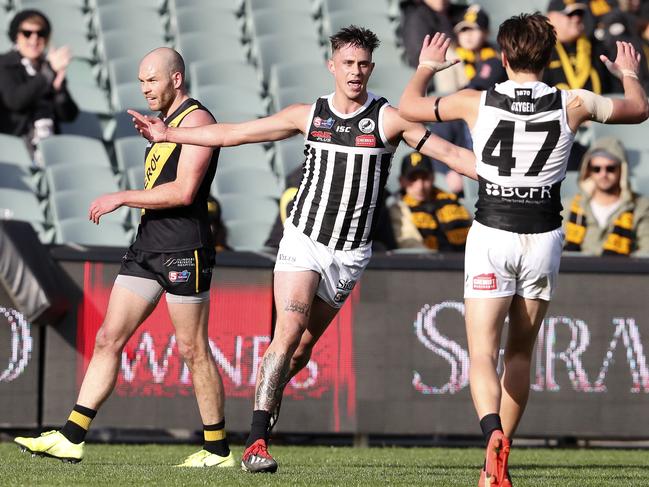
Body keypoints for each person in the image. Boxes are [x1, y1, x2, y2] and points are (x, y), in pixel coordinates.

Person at [129, 25, 477, 474]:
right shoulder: (308, 115)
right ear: (332, 66)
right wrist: (170, 136)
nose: (355, 72)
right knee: (288, 330)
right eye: (347, 63)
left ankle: (264, 393)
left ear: (371, 67)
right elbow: (235, 134)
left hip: (350, 253)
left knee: (300, 351)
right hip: (303, 241)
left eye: (363, 64)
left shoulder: (388, 119)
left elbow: (450, 156)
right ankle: (256, 442)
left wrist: (509, 177)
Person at [399, 15, 648, 486]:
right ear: (550, 57)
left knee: (480, 354)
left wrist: (427, 65)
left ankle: (490, 432)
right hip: (543, 236)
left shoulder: (476, 100)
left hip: (493, 230)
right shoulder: (572, 102)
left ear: (504, 57)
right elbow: (638, 108)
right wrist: (629, 72)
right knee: (519, 353)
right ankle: (500, 461)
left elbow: (410, 106)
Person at [14, 48, 235, 469]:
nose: (145, 88)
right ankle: (72, 436)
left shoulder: (198, 121)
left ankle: (217, 449)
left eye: (152, 80)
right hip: (148, 246)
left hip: (183, 248)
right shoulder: (165, 125)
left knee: (192, 348)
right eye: (140, 81)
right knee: (107, 339)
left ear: (176, 79)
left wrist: (121, 196)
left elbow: (184, 192)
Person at [0, 9, 78, 156]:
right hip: (17, 147)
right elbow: (15, 100)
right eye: (27, 33)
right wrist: (48, 73)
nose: (34, 39)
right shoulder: (4, 64)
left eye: (40, 34)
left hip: (51, 146)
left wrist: (59, 90)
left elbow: (69, 115)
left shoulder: (48, 66)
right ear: (16, 36)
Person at [564, 136, 649, 255]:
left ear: (621, 170)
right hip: (577, 271)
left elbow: (646, 251)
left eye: (610, 168)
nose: (603, 174)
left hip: (623, 272)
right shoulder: (570, 206)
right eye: (597, 169)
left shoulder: (640, 206)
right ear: (588, 171)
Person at [389, 151, 471, 250]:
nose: (420, 186)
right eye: (413, 179)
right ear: (401, 181)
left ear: (433, 178)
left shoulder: (452, 201)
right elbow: (411, 246)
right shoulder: (399, 207)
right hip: (428, 263)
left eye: (425, 178)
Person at [544, 0, 613, 94]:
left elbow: (614, 89)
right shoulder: (542, 51)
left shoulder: (598, 48)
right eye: (570, 14)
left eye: (579, 13)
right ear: (550, 18)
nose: (576, 18)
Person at [453, 4, 507, 91]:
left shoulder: (496, 57)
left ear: (486, 33)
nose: (468, 34)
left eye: (473, 28)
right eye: (464, 29)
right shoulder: (449, 57)